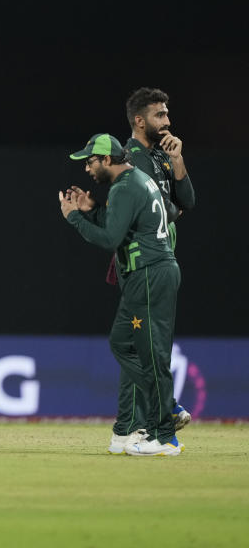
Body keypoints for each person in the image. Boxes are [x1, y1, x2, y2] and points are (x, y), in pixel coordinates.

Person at [60, 134, 183, 456]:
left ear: (108, 160)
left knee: (150, 354)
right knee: (121, 342)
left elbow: (110, 238)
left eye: (91, 161)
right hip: (153, 272)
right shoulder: (136, 180)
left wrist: (74, 218)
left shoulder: (125, 186)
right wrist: (92, 209)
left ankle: (164, 436)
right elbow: (124, 226)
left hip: (148, 274)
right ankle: (167, 406)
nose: (87, 168)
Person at [122, 87, 195, 432]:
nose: (167, 120)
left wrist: (178, 161)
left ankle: (141, 420)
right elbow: (162, 210)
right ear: (140, 120)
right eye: (159, 114)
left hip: (163, 256)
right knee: (144, 344)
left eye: (167, 113)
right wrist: (173, 210)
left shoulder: (162, 156)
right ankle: (143, 421)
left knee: (151, 343)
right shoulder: (131, 158)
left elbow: (188, 201)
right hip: (143, 259)